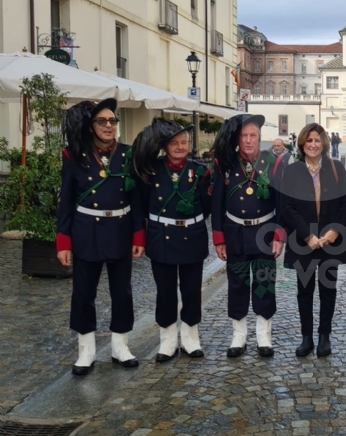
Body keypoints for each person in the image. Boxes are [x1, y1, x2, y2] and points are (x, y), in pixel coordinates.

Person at [56, 99, 144, 375]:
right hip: (86, 232)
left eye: (113, 121)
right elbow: (66, 201)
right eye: (102, 121)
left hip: (120, 230)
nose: (108, 125)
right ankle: (86, 351)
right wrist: (63, 241)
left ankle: (120, 346)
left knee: (122, 292)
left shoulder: (128, 155)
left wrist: (139, 236)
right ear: (91, 126)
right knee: (84, 293)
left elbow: (136, 198)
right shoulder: (74, 156)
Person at [132, 119, 212, 362]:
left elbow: (206, 207)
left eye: (184, 142)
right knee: (165, 292)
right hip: (161, 238)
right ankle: (167, 341)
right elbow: (142, 205)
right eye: (174, 143)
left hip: (191, 237)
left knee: (191, 291)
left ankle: (190, 339)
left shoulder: (200, 171)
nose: (180, 147)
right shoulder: (151, 170)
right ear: (164, 146)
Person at [211, 114, 286, 357]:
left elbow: (282, 203)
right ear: (237, 138)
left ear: (260, 137)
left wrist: (278, 235)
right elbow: (217, 203)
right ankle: (239, 335)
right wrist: (219, 238)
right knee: (237, 285)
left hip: (264, 233)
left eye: (253, 135)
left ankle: (264, 335)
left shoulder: (272, 162)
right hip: (235, 233)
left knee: (265, 284)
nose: (249, 140)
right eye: (244, 135)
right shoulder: (224, 163)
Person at [280, 124, 346, 358]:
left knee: (328, 289)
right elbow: (286, 207)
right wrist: (306, 235)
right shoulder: (292, 171)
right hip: (303, 241)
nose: (313, 144)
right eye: (308, 140)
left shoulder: (336, 168)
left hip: (330, 240)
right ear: (302, 144)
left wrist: (335, 230)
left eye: (317, 140)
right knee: (304, 290)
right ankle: (307, 337)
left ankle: (324, 337)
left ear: (324, 143)